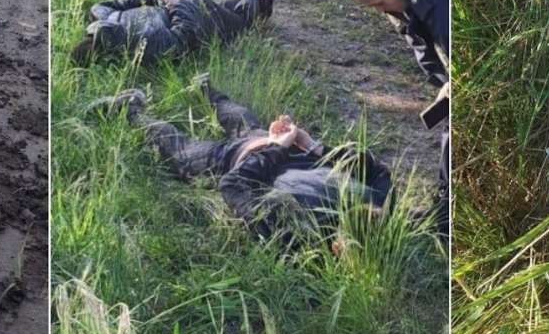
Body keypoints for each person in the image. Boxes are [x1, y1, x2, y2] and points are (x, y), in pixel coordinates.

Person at [87, 75, 392, 245]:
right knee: (211, 137)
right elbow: (371, 166)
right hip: (262, 150)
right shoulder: (372, 198)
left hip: (250, 154)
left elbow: (233, 186)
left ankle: (140, 107)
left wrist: (281, 147)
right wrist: (306, 143)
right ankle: (202, 91)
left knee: (204, 141)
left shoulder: (295, 233)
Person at [342, 0, 449, 237]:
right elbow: (417, 37)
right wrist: (441, 80)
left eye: (379, 4)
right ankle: (445, 210)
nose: (378, 11)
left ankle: (446, 219)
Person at [72, 0, 275, 66]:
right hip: (184, 7)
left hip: (181, 5)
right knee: (235, 19)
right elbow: (187, 33)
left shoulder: (102, 14)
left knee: (235, 20)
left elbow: (130, 1)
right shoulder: (144, 46)